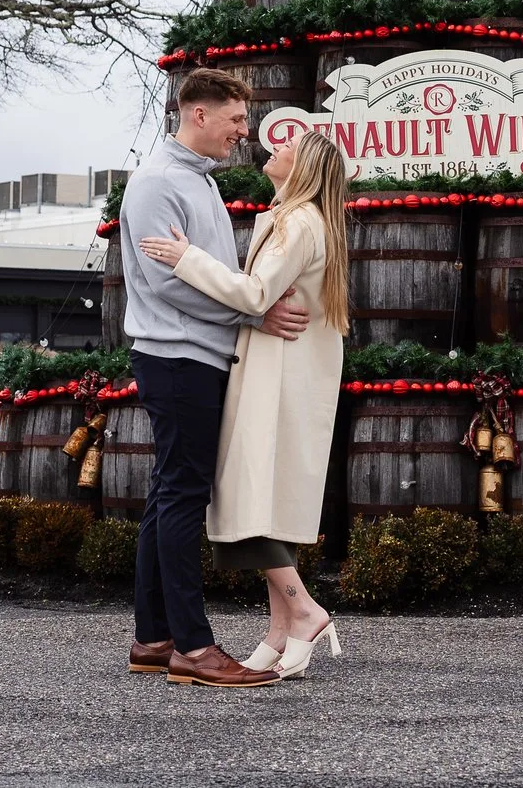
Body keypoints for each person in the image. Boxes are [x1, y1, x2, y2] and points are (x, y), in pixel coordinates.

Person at [119, 68, 309, 689]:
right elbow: (164, 282)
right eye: (234, 120)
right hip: (178, 358)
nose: (243, 133)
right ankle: (195, 650)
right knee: (183, 495)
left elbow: (201, 272)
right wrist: (254, 309)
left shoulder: (196, 182)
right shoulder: (156, 184)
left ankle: (153, 639)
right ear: (198, 115)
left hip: (193, 355)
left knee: (169, 493)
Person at [141, 127, 349, 680]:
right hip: (278, 371)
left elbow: (255, 294)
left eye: (289, 148)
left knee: (249, 495)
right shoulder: (296, 219)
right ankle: (280, 631)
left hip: (274, 376)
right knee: (264, 495)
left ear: (304, 168)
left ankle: (304, 610)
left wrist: (187, 258)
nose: (273, 147)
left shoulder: (298, 223)